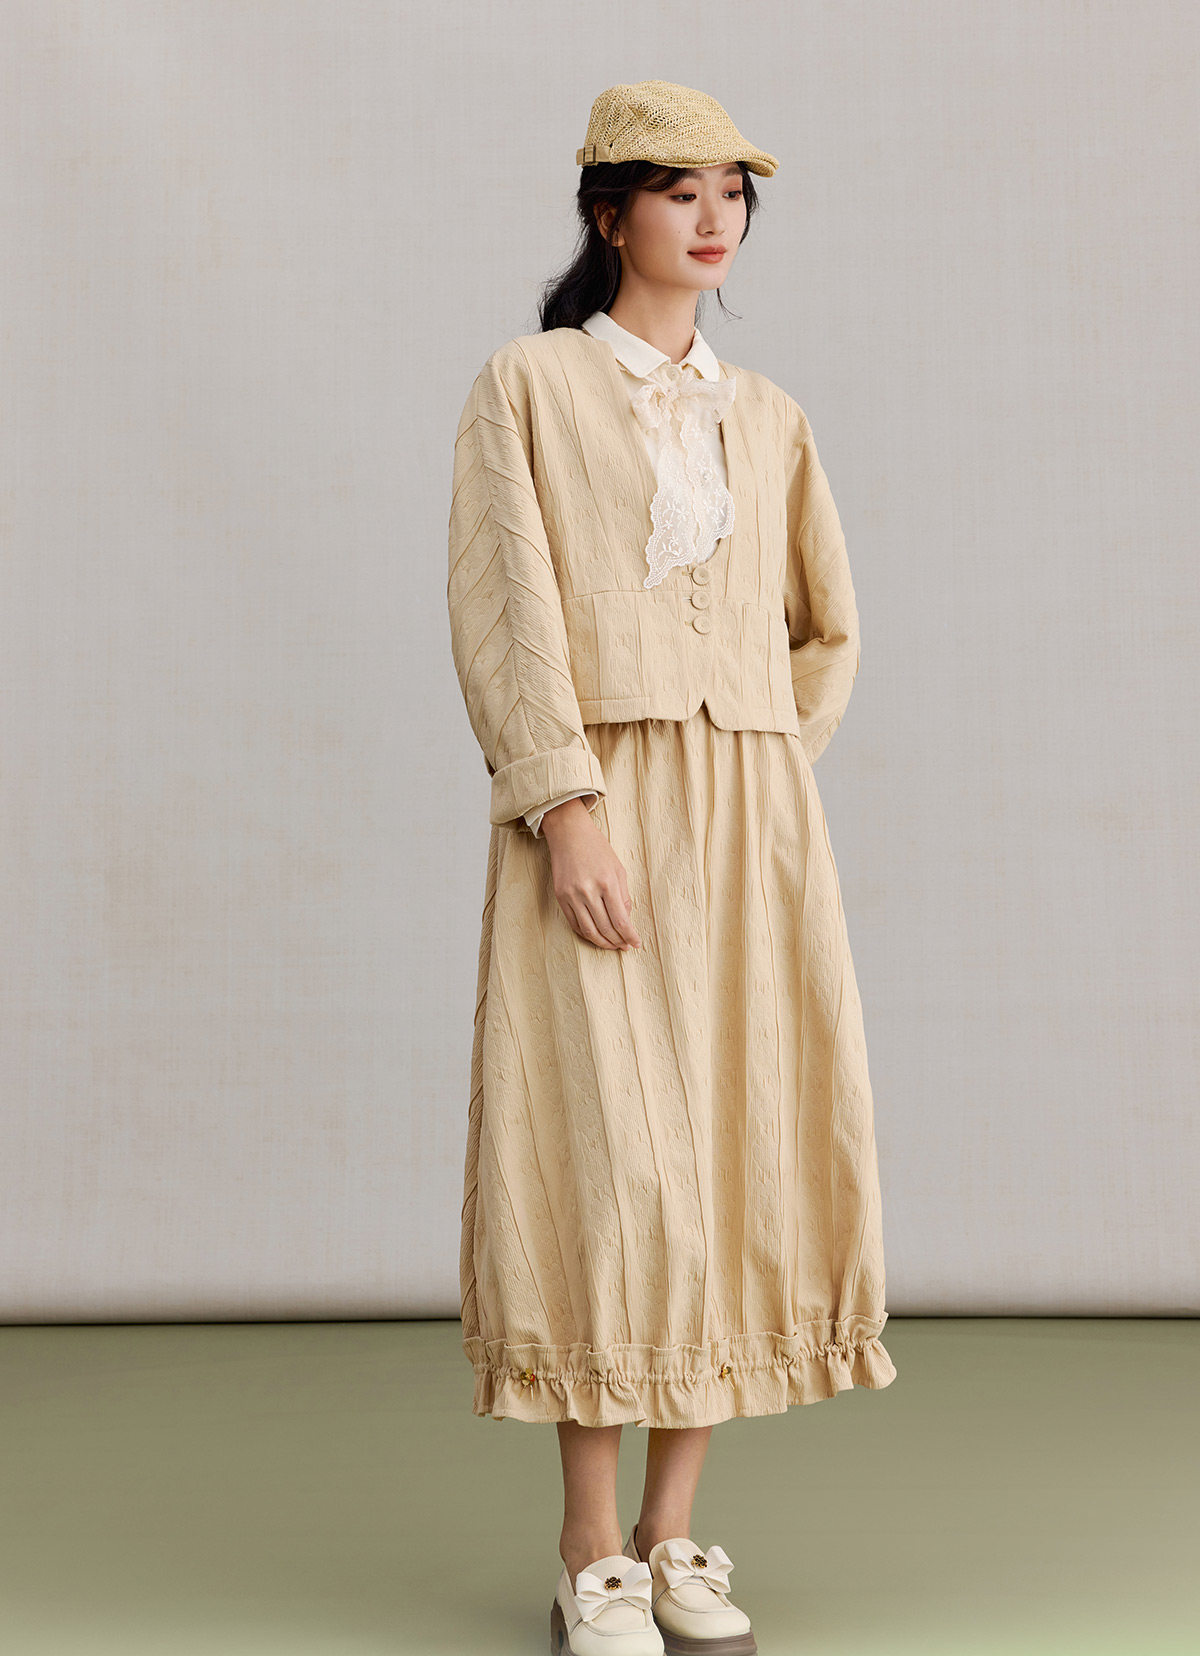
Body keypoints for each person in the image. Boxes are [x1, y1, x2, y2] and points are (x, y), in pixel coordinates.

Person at [446, 79, 896, 1656]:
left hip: (753, 824)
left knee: (734, 1144)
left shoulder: (768, 416)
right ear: (608, 213)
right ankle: (591, 1550)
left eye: (733, 194)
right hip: (598, 797)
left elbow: (828, 628)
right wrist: (563, 802)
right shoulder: (528, 388)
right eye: (679, 191)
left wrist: (762, 762)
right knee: (607, 1161)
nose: (714, 219)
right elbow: (506, 607)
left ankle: (673, 1533)